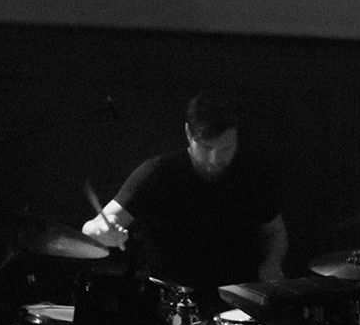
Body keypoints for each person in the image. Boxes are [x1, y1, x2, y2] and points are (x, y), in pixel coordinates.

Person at [81, 89, 288, 290]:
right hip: (170, 298)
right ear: (188, 133)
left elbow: (276, 232)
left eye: (225, 149)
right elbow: (92, 227)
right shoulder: (157, 173)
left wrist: (272, 263)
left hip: (236, 298)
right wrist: (102, 231)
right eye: (206, 148)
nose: (215, 159)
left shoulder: (250, 176)